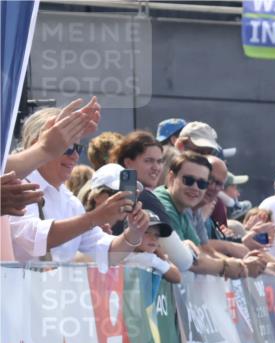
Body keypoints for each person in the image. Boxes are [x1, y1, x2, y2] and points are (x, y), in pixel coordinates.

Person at [7, 106, 149, 267]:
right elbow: (33, 239)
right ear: (37, 145)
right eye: (67, 148)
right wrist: (95, 217)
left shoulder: (70, 202)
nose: (75, 156)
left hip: (50, 291)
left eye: (78, 148)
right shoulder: (12, 187)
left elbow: (107, 253)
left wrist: (134, 232)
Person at [111, 130, 170, 224]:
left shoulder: (111, 190)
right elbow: (169, 237)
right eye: (148, 161)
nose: (156, 167)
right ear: (128, 163)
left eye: (159, 161)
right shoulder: (144, 197)